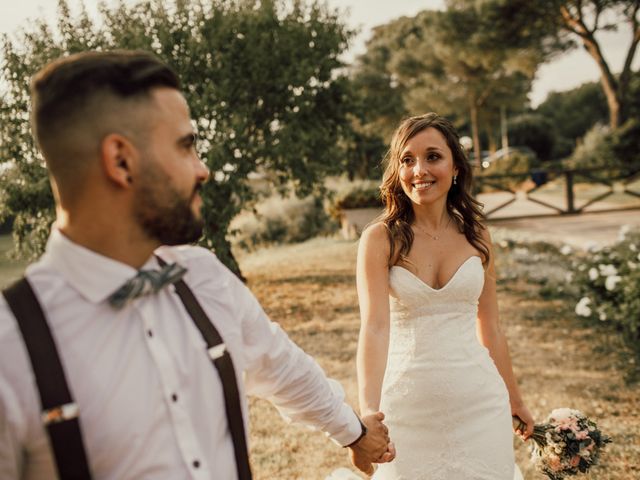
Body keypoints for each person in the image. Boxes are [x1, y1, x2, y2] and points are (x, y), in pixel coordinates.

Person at [0, 50, 394, 479]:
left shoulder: (205, 278)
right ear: (121, 161)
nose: (203, 170)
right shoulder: (10, 346)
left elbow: (282, 368)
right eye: (186, 146)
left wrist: (353, 431)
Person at [355, 113, 534, 479]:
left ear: (455, 167)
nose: (419, 169)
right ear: (397, 170)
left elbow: (492, 329)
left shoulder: (477, 236)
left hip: (480, 403)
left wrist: (514, 400)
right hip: (407, 407)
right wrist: (367, 416)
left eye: (432, 156)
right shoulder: (380, 239)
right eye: (407, 159)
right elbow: (373, 329)